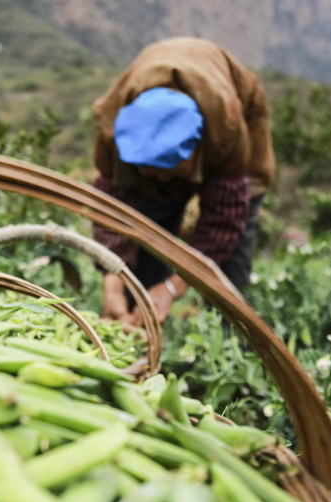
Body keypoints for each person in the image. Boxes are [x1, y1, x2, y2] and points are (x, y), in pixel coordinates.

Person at [89, 37, 275, 327]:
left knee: (229, 270)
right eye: (151, 170)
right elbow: (111, 209)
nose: (163, 179)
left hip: (236, 115)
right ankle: (138, 320)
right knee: (148, 236)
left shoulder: (226, 129)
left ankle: (228, 341)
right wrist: (112, 285)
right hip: (150, 135)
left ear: (197, 149)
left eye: (172, 169)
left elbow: (222, 222)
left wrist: (173, 288)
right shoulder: (114, 131)